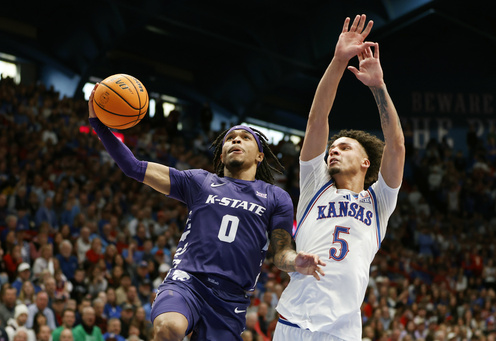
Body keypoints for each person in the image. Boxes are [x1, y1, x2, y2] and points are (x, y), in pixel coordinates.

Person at [87, 84, 325, 341]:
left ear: (259, 156)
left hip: (231, 298)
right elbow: (134, 167)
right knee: (169, 328)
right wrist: (99, 125)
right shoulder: (200, 182)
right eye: (230, 139)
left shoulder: (276, 196)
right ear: (221, 156)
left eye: (245, 138)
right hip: (187, 280)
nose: (236, 140)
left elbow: (281, 252)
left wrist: (296, 262)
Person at [274, 14, 405, 341]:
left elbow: (397, 146)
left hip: (342, 331)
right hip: (293, 320)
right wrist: (338, 60)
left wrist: (378, 87)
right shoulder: (314, 185)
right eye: (332, 147)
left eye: (344, 147)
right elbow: (317, 120)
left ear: (364, 162)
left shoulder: (379, 201)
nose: (333, 150)